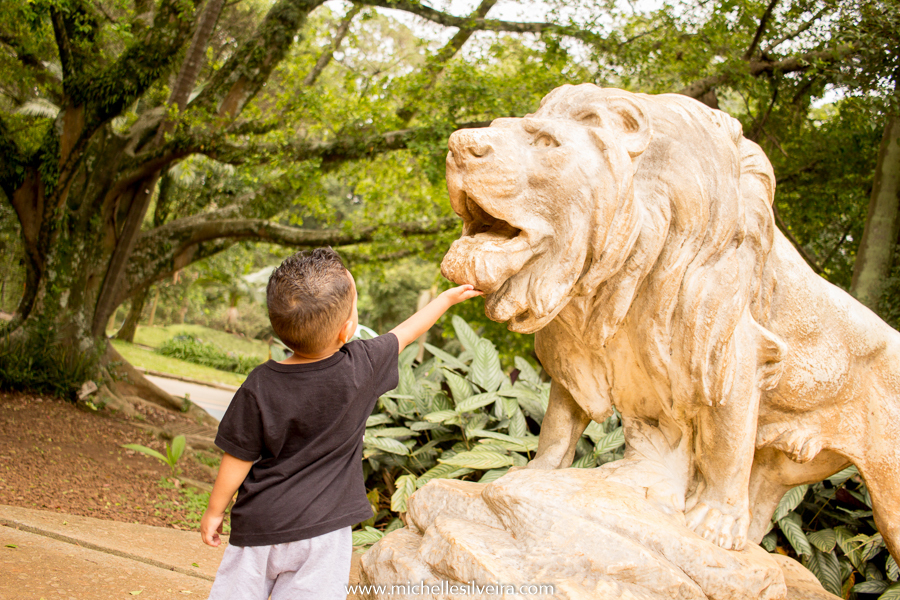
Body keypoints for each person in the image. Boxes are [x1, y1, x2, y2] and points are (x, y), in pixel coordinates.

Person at [199, 247, 482, 599]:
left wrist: (215, 511)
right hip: (324, 533)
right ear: (347, 329)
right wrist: (446, 299)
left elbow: (238, 456)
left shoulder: (260, 383)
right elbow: (406, 332)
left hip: (261, 524)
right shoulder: (362, 367)